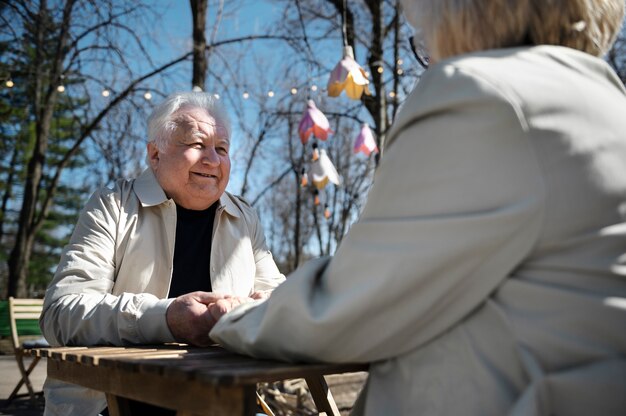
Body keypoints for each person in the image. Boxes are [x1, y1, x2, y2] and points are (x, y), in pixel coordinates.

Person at [208, 0, 626, 415]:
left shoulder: (480, 90)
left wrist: (230, 318)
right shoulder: (605, 98)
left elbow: (350, 308)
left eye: (424, 36)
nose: (429, 55)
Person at [39, 91, 285, 415]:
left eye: (222, 149)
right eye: (197, 145)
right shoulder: (114, 205)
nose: (213, 160)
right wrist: (166, 318)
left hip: (217, 403)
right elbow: (61, 313)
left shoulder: (244, 217)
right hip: (108, 406)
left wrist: (260, 309)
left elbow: (278, 296)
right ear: (155, 154)